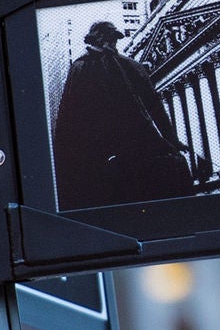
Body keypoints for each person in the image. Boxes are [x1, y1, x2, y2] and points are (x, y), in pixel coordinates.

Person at [52, 20, 198, 209]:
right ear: (100, 39)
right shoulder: (82, 68)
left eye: (114, 40)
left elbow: (154, 106)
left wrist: (172, 139)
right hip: (105, 150)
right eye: (110, 39)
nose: (113, 44)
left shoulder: (127, 66)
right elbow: (71, 115)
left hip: (132, 145)